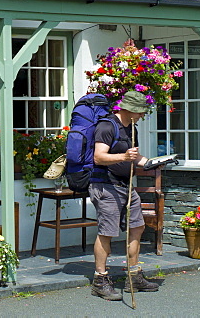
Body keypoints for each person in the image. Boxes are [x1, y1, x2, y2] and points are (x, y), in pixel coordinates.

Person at [87, 89, 160, 301]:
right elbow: (99, 157)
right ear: (128, 109)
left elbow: (134, 157)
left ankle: (133, 276)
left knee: (137, 227)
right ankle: (100, 280)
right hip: (106, 186)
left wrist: (152, 162)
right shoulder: (107, 126)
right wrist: (124, 155)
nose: (141, 115)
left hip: (126, 186)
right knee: (107, 232)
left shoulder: (131, 128)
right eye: (139, 111)